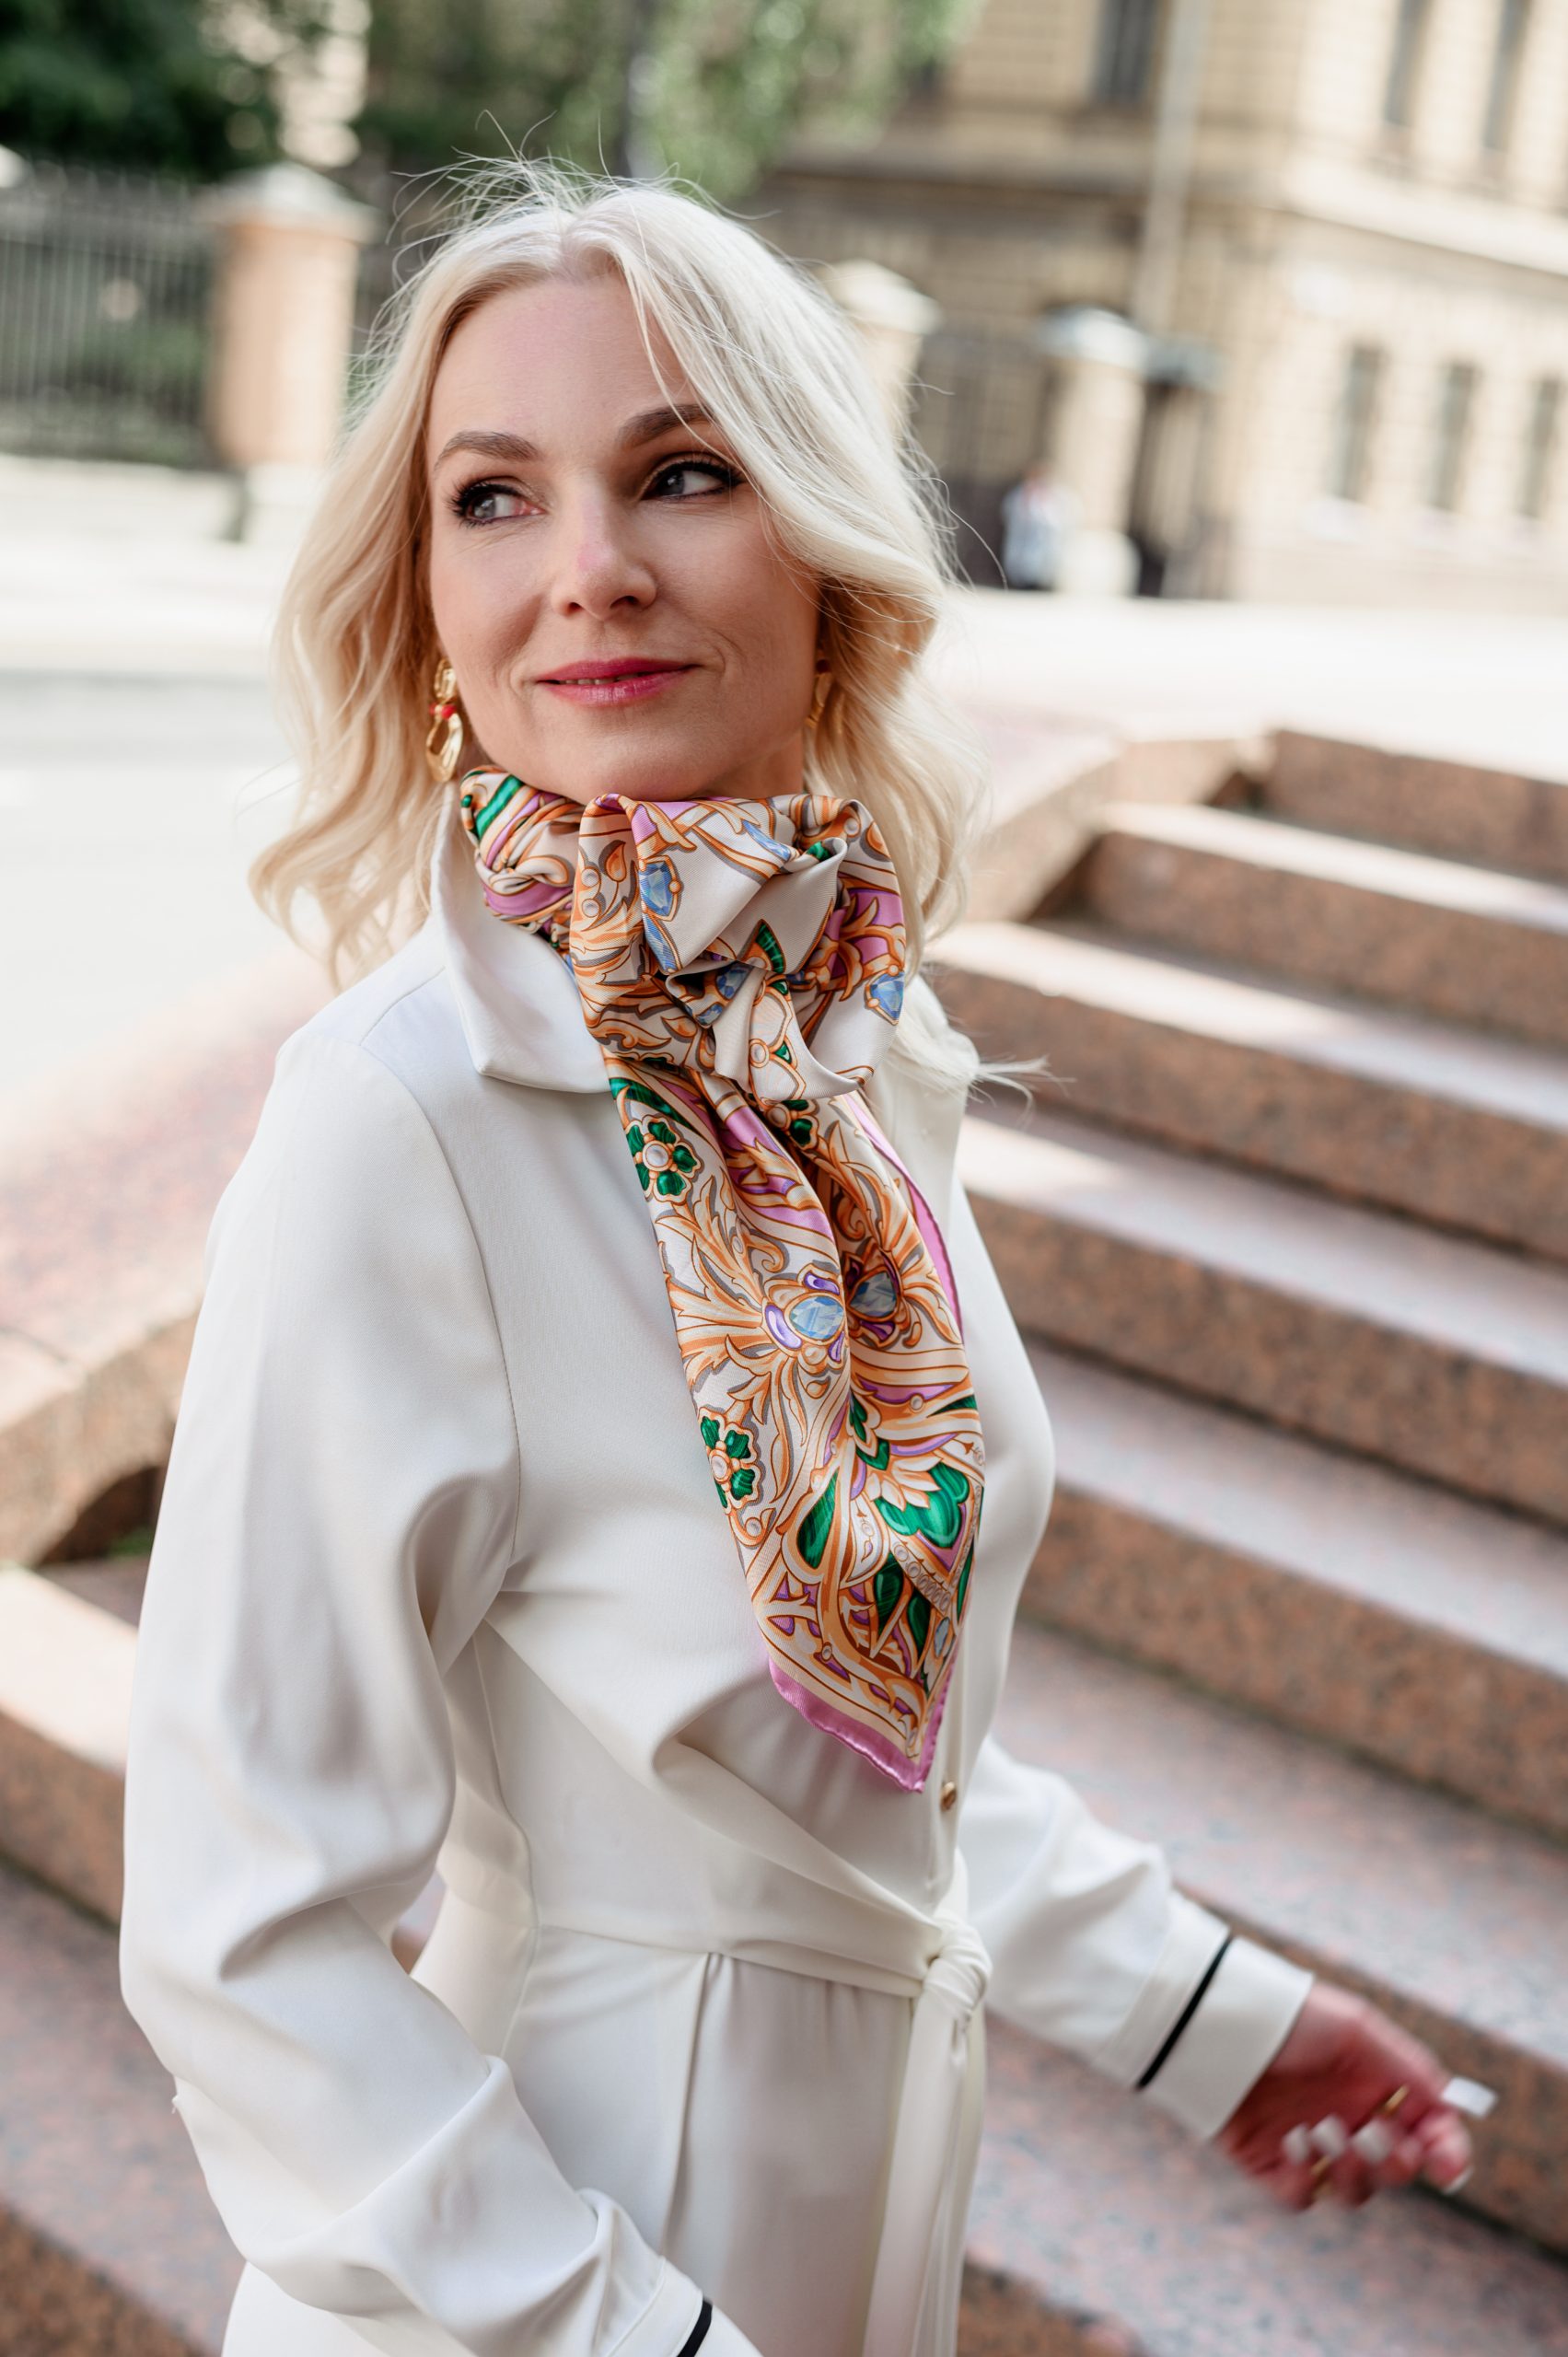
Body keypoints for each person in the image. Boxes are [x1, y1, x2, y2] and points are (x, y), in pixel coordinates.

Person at [117, 163, 1475, 2357]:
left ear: (827, 557)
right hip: (528, 2280)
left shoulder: (838, 1044)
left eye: (680, 472)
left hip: (835, 2238)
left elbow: (838, 1743)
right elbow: (238, 1926)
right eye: (493, 497)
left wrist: (1210, 2013)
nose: (588, 569)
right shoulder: (401, 1118)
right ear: (425, 599)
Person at [999, 459, 1077, 590]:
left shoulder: (1057, 495)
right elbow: (1011, 513)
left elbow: (1061, 518)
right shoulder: (1021, 494)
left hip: (1046, 545)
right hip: (1024, 542)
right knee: (1023, 570)